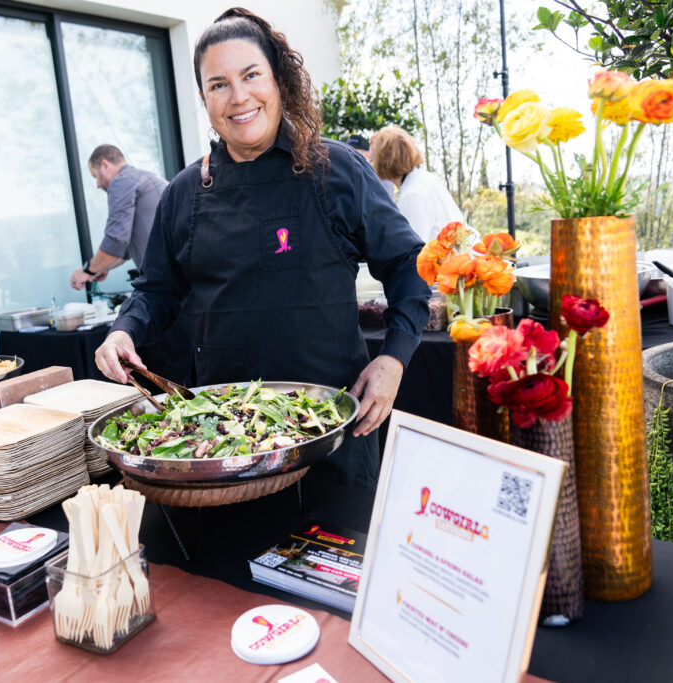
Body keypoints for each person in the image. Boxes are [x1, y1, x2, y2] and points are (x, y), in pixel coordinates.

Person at [94, 8, 430, 489]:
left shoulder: (337, 170)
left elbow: (406, 265)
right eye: (218, 84)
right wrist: (125, 330)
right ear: (204, 98)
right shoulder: (185, 192)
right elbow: (157, 291)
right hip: (225, 449)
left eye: (251, 75)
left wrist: (394, 357)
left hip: (333, 439)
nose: (239, 96)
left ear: (278, 80)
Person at [68, 144, 168, 290]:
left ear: (105, 165)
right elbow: (123, 250)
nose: (97, 184)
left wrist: (88, 271)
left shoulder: (121, 181)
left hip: (165, 280)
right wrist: (101, 267)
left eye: (96, 176)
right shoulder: (146, 177)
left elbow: (116, 239)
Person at [369, 125, 463, 242]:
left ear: (385, 161)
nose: (371, 166)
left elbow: (412, 249)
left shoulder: (412, 194)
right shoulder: (422, 179)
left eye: (373, 160)